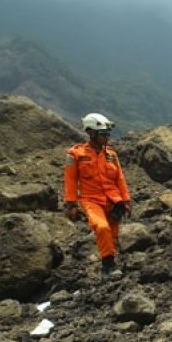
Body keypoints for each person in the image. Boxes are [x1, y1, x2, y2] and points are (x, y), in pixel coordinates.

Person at [64, 113, 132, 278]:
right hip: (91, 200)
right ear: (90, 132)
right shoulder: (75, 154)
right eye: (103, 134)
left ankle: (113, 265)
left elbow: (120, 178)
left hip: (114, 201)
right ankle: (108, 267)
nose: (106, 138)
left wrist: (126, 201)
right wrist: (71, 204)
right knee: (101, 228)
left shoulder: (111, 155)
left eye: (108, 134)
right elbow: (70, 180)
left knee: (112, 235)